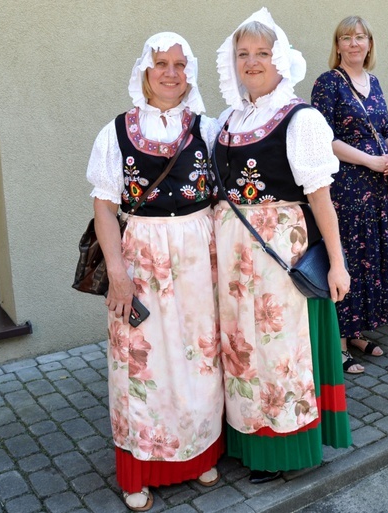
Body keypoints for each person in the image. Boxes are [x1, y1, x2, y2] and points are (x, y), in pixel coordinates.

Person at [213, 8, 352, 484]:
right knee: (241, 347)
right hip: (234, 258)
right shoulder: (230, 118)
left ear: (281, 60)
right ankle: (245, 435)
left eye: (262, 53)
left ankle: (283, 446)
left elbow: (320, 197)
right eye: (243, 54)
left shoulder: (300, 117)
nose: (252, 62)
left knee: (278, 350)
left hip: (279, 252)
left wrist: (337, 263)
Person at [86, 32, 223, 511]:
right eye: (161, 64)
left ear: (191, 73)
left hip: (196, 256)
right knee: (140, 363)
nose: (171, 73)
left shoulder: (207, 129)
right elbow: (105, 209)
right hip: (141, 255)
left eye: (179, 65)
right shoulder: (117, 131)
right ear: (145, 71)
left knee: (198, 357)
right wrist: (118, 274)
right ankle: (140, 468)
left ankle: (197, 453)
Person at [311, 15, 388, 373]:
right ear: (337, 46)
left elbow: (385, 127)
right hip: (345, 186)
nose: (353, 43)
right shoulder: (328, 83)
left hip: (378, 185)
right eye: (346, 38)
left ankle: (358, 331)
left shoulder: (374, 81)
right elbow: (323, 138)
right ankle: (338, 341)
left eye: (360, 37)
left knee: (370, 255)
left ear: (369, 44)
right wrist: (372, 160)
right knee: (347, 255)